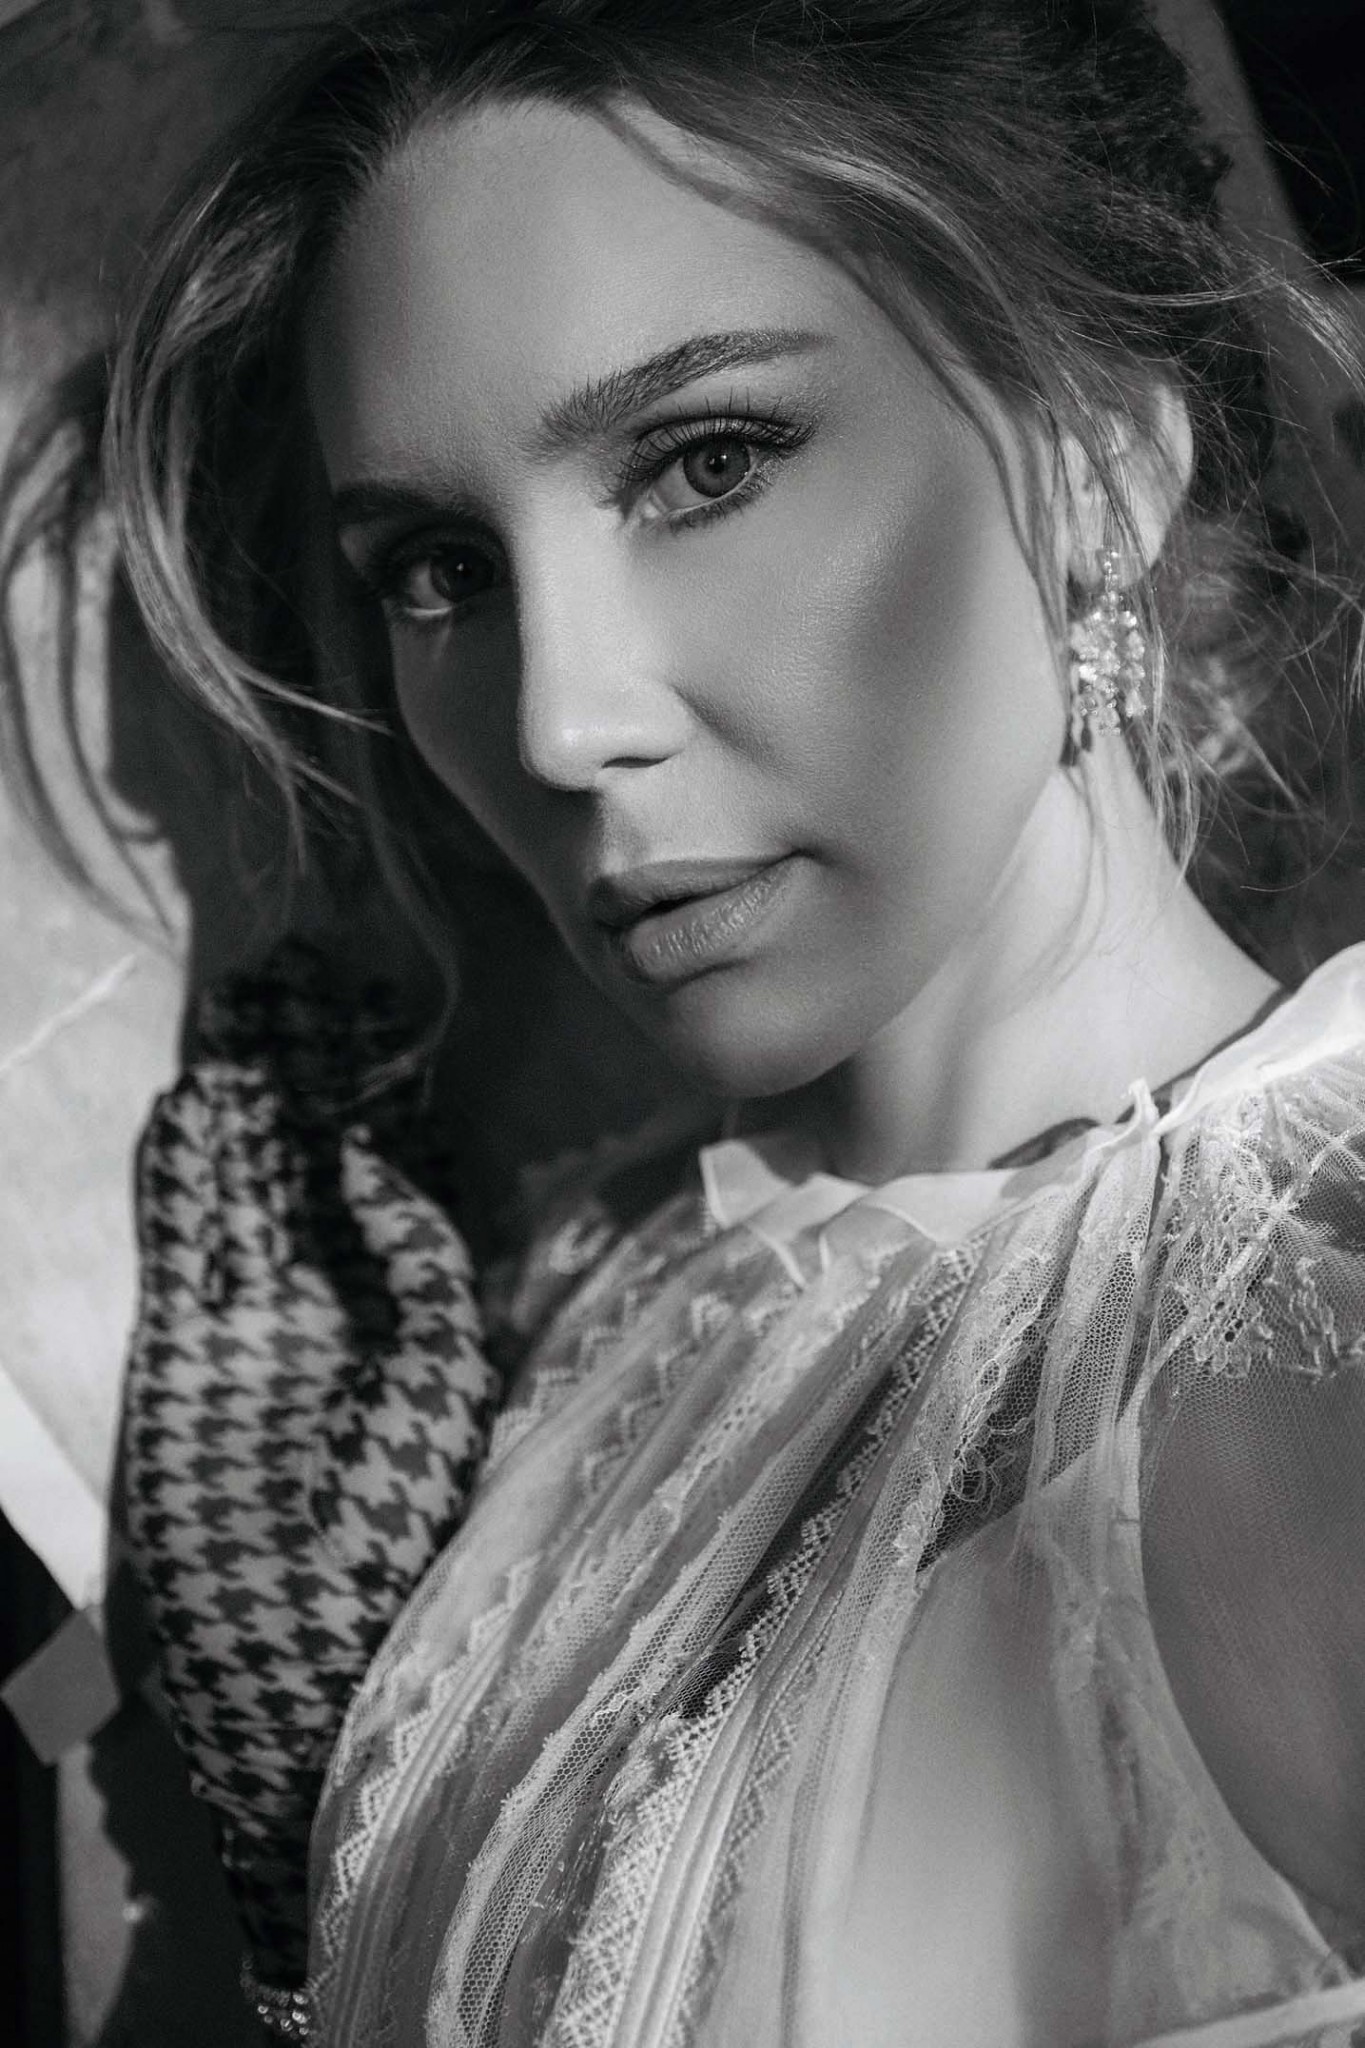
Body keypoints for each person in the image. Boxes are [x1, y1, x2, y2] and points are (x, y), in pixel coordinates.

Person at [91, 0, 1365, 2041]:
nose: (555, 722)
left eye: (704, 463)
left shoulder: (1315, 1333)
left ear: (1097, 465)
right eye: (438, 567)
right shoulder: (588, 1299)